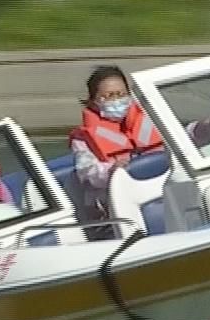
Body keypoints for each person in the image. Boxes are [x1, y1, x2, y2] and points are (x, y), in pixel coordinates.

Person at [69, 66, 164, 227]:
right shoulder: (82, 140)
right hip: (116, 204)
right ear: (94, 101)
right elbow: (88, 172)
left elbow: (176, 135)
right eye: (109, 96)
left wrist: (201, 129)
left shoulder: (149, 117)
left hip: (160, 188)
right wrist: (112, 169)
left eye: (121, 94)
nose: (117, 100)